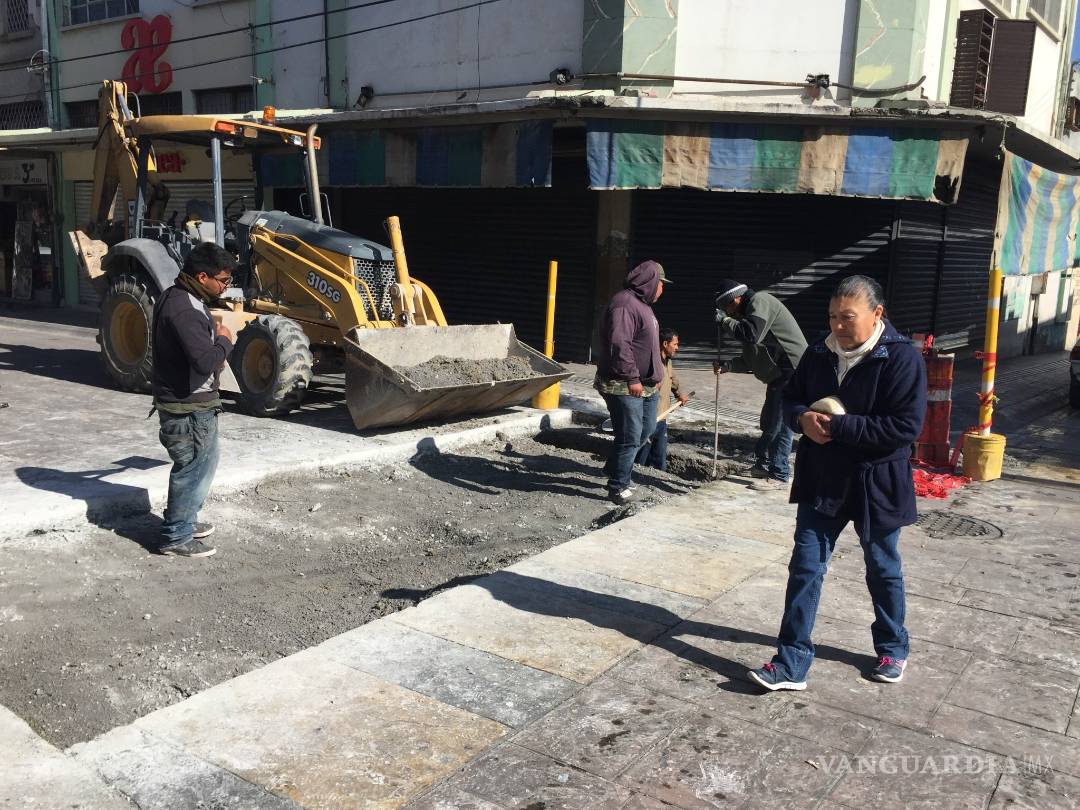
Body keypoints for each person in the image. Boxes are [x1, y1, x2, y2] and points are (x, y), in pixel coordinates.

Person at [747, 275, 926, 691]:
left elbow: (904, 427)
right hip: (821, 479)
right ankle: (790, 663)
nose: (838, 327)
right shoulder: (817, 353)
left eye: (848, 317)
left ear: (876, 313)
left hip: (875, 482)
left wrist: (840, 428)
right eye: (832, 317)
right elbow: (791, 397)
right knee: (805, 567)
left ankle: (893, 646)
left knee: (882, 567)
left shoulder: (899, 358)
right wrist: (800, 419)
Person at [151, 242, 236, 558]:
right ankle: (176, 536)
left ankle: (184, 519)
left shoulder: (177, 297)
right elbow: (204, 362)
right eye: (223, 280)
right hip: (188, 409)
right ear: (203, 276)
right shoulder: (185, 308)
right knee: (191, 469)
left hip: (192, 403)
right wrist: (225, 341)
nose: (226, 287)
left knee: (204, 464)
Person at [713, 279, 807, 491]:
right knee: (769, 420)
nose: (726, 312)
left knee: (780, 423)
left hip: (791, 369)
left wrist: (724, 322)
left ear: (736, 299)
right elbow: (751, 358)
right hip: (778, 374)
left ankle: (779, 473)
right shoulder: (749, 317)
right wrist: (728, 365)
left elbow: (751, 335)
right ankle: (764, 465)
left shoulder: (760, 301)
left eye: (726, 307)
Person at [595, 260, 669, 504]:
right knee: (630, 434)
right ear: (650, 282)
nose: (662, 290)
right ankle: (618, 485)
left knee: (646, 430)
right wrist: (633, 378)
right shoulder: (625, 304)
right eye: (661, 284)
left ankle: (613, 468)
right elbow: (620, 344)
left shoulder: (643, 306)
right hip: (624, 384)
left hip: (646, 384)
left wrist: (656, 376)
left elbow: (646, 346)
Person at [636, 327, 689, 471]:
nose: (677, 348)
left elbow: (673, 380)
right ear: (665, 344)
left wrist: (680, 395)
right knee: (640, 458)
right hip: (648, 419)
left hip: (662, 418)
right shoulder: (651, 363)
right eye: (675, 344)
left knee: (659, 460)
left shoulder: (668, 362)